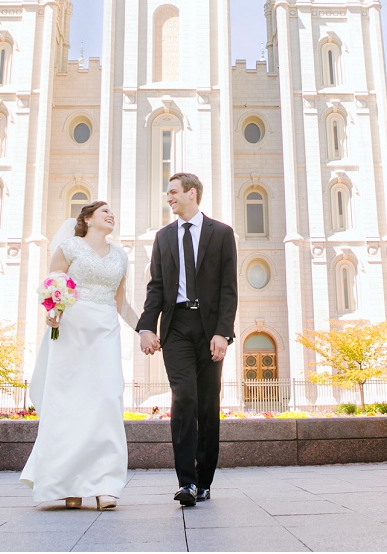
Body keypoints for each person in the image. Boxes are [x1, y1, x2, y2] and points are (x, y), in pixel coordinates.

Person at [20, 201, 139, 510]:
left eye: (113, 212)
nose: (111, 215)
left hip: (104, 331)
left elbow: (121, 301)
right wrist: (52, 312)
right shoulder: (70, 247)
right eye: (104, 212)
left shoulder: (120, 256)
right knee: (70, 404)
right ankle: (68, 484)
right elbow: (52, 284)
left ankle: (105, 485)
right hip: (71, 330)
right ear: (87, 219)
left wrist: (145, 329)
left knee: (106, 400)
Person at [136, 173, 238, 506]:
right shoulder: (163, 237)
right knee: (184, 398)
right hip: (176, 326)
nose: (169, 198)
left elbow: (228, 289)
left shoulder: (221, 234)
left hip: (209, 329)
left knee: (208, 405)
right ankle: (187, 482)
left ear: (192, 194)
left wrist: (223, 332)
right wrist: (147, 326)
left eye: (173, 192)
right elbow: (156, 286)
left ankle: (204, 478)